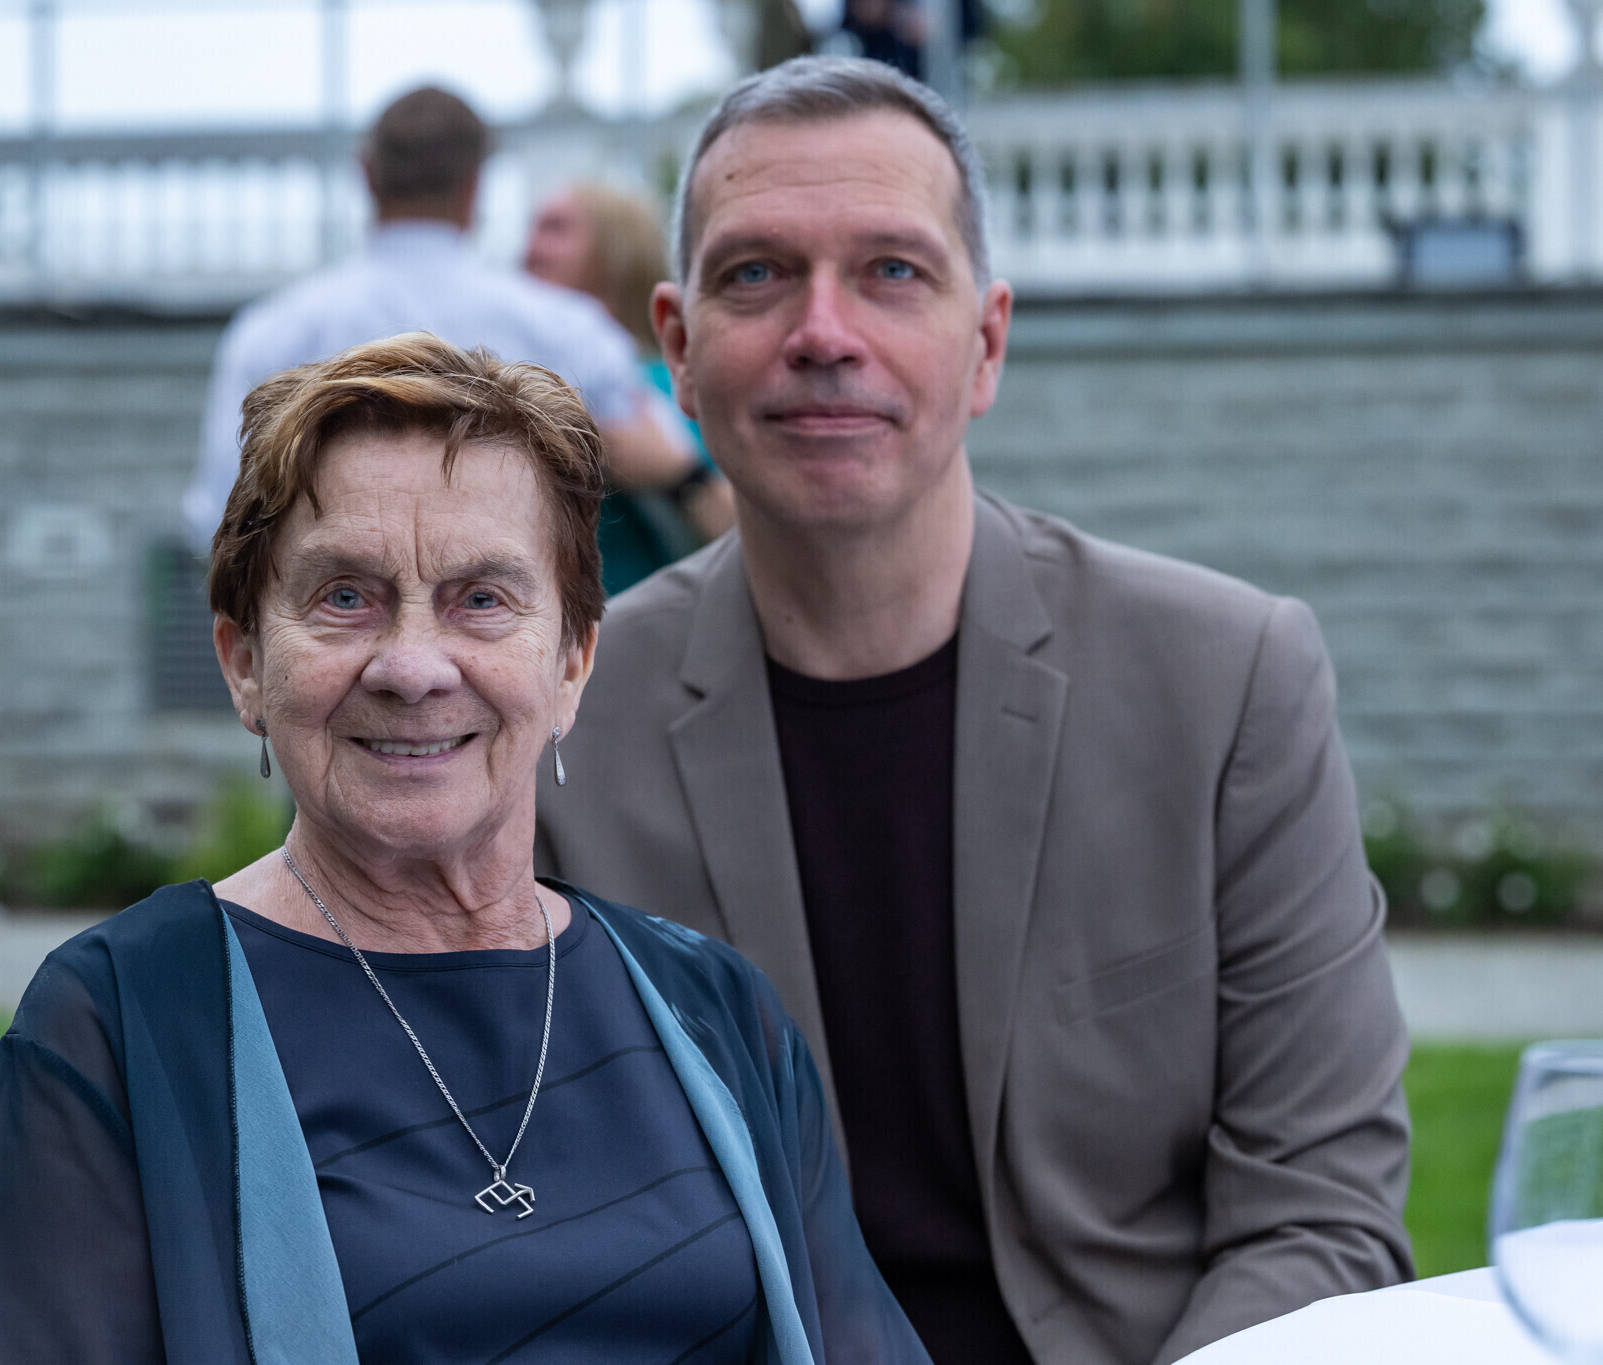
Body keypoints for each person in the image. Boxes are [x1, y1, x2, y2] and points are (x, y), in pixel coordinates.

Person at [535, 56, 1413, 1365]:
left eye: (891, 271)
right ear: (677, 348)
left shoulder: (1228, 682)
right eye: (757, 274)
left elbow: (1322, 1210)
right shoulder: (558, 727)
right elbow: (519, 1231)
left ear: (986, 342)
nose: (822, 332)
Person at [0, 334, 929, 1365]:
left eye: (482, 600)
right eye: (344, 597)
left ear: (572, 663)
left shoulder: (716, 1012)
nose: (412, 668)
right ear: (243, 664)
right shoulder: (123, 1024)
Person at [183, 85, 700, 550]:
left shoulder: (273, 331)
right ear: (476, 183)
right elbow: (665, 458)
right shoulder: (569, 329)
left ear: (367, 174)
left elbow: (220, 518)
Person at [523, 181, 735, 594]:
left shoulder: (674, 386)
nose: (530, 248)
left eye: (554, 229)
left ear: (615, 253)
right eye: (532, 228)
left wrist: (677, 475)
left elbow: (751, 541)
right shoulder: (514, 379)